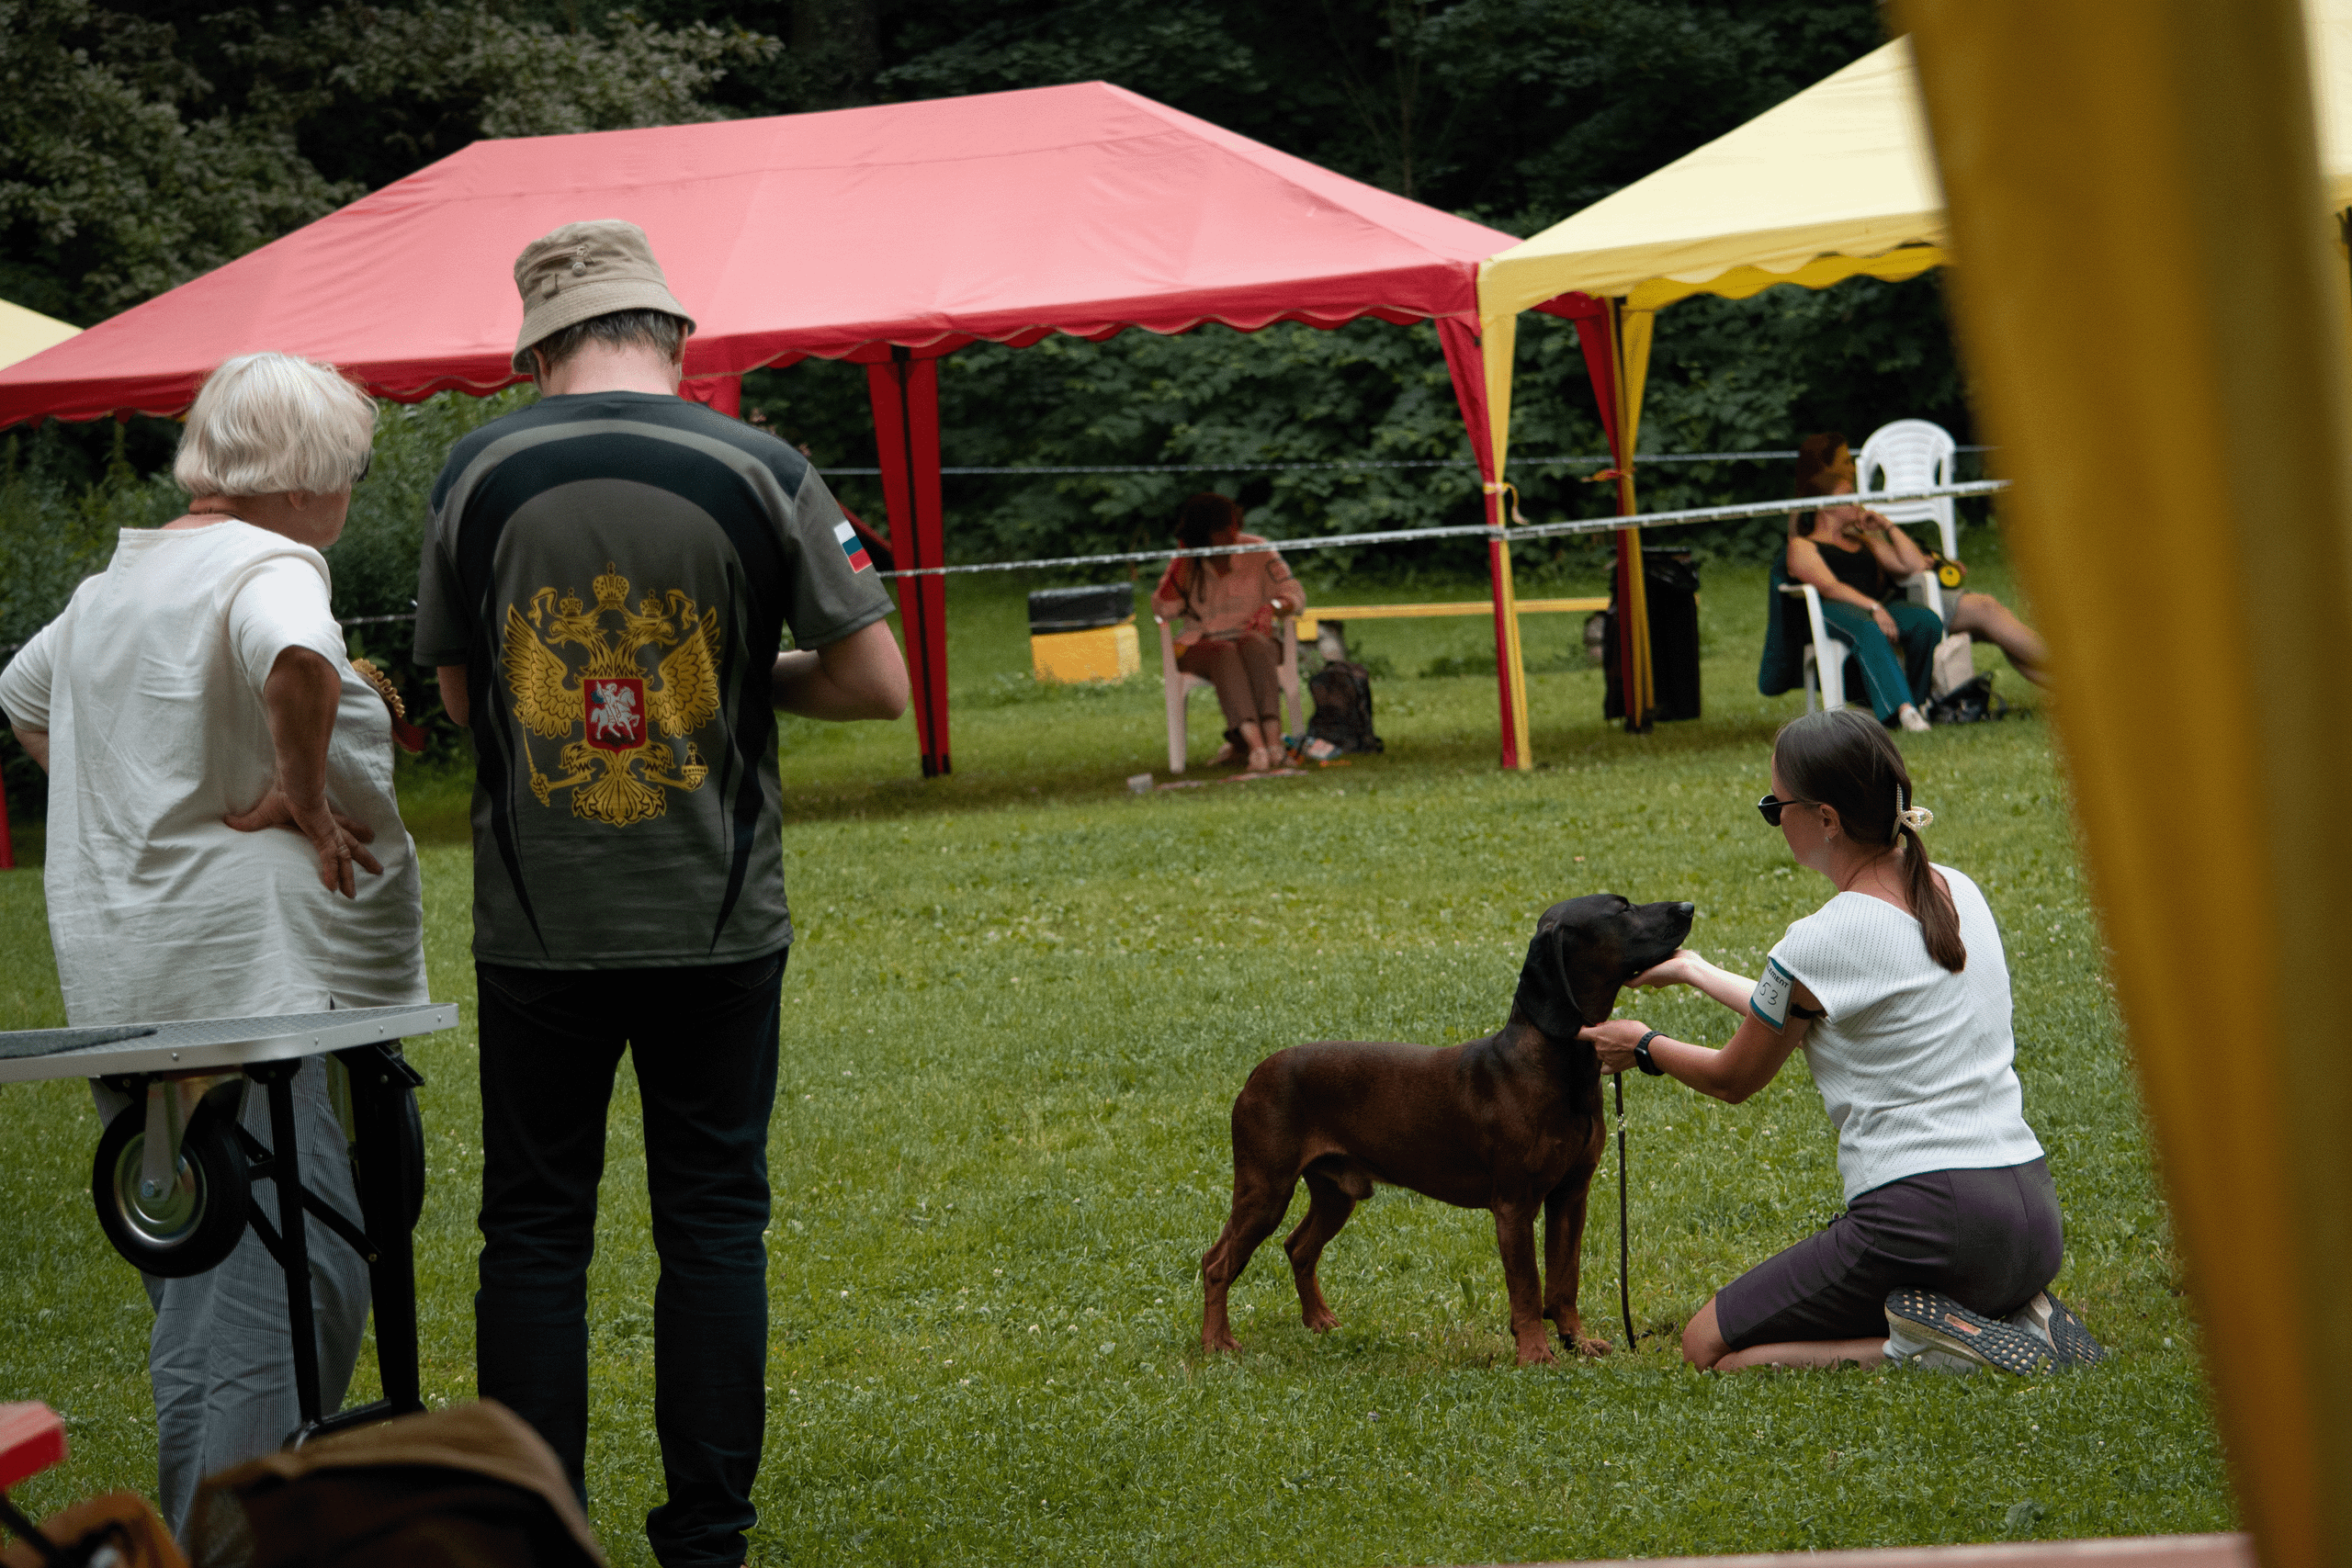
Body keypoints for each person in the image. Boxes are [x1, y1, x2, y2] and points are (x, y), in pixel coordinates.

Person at [413, 220, 909, 1568]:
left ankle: (532, 1528)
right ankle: (707, 1540)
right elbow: (878, 683)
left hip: (538, 921)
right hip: (716, 914)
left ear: (539, 346)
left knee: (529, 1227)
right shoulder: (766, 466)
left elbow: (466, 698)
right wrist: (745, 680)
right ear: (670, 334)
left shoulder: (476, 470)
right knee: (711, 1220)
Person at [0, 352, 426, 1535]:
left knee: (218, 1285)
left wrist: (140, 811)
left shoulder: (115, 586)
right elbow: (296, 656)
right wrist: (295, 789)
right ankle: (217, 1544)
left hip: (128, 977)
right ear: (303, 480)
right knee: (286, 1290)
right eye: (346, 474)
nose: (347, 498)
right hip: (237, 986)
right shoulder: (268, 564)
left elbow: (26, 700)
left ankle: (224, 1532)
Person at [1580, 709, 2103, 1374]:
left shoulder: (1822, 939)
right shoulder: (1959, 892)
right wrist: (1693, 969)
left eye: (1776, 806)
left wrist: (1644, 1044)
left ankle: (1934, 1349)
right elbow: (1812, 1007)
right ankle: (2011, 1318)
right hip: (2029, 1221)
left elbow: (1733, 1077)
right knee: (1731, 1339)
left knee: (1707, 1348)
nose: (1773, 818)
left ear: (1825, 818)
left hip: (1931, 1224)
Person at [1800, 432, 2052, 687]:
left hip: (1908, 590)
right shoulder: (1815, 533)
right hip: (1898, 601)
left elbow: (1912, 564)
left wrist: (1888, 527)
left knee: (1992, 620)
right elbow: (1899, 570)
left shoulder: (1858, 520)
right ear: (1824, 470)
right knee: (1988, 610)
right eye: (1844, 462)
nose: (1851, 468)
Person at [1783, 444, 1942, 732]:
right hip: (1829, 613)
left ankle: (1916, 703)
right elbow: (1829, 588)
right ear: (1823, 505)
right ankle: (1902, 712)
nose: (1857, 501)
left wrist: (1887, 525)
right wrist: (1874, 607)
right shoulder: (1803, 545)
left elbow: (1915, 566)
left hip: (1875, 607)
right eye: (1847, 496)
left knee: (1926, 621)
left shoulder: (1864, 541)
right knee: (1867, 628)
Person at [1150, 492, 1304, 772]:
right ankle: (1255, 747)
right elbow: (1165, 610)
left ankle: (1273, 744)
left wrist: (1272, 606)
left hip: (1254, 636)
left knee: (1251, 644)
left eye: (1234, 525)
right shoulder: (1186, 561)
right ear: (1202, 535)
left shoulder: (1258, 549)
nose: (1232, 534)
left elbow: (1294, 594)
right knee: (1225, 653)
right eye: (1221, 530)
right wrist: (1184, 559)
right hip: (1202, 643)